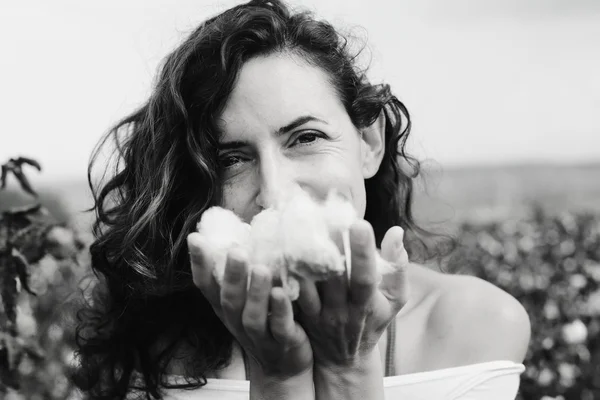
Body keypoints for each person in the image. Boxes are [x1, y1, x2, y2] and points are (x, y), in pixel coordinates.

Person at [74, 1, 531, 399]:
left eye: (306, 137)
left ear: (369, 143)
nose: (275, 191)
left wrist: (347, 365)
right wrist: (279, 378)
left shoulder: (475, 326)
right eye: (232, 159)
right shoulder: (158, 347)